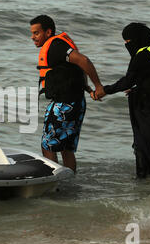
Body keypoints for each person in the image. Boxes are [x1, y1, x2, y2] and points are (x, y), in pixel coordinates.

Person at [95, 23, 150, 178]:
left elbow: (127, 81)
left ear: (136, 39)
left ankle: (145, 186)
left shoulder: (142, 55)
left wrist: (104, 90)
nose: (126, 45)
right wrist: (139, 89)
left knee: (143, 148)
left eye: (128, 41)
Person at [30, 15, 104, 172]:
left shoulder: (56, 46)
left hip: (64, 104)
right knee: (66, 147)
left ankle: (54, 181)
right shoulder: (58, 45)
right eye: (32, 33)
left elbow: (84, 60)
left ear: (48, 32)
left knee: (48, 146)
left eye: (36, 33)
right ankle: (69, 181)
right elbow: (77, 69)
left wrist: (98, 86)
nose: (33, 37)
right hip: (75, 101)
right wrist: (88, 88)